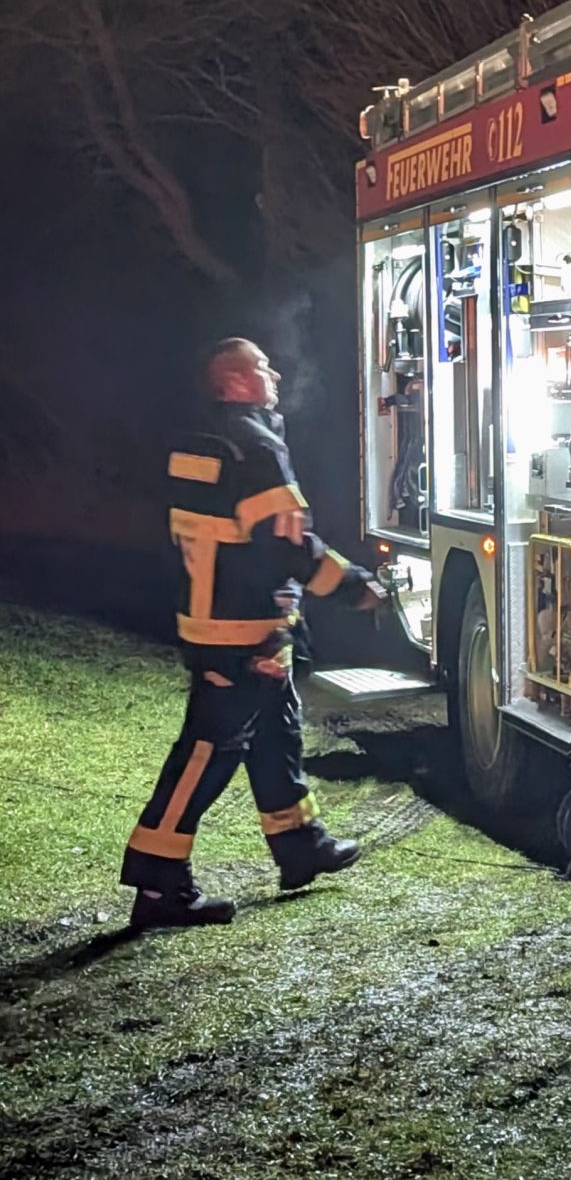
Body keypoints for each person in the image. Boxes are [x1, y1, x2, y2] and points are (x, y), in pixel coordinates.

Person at [121, 337, 381, 932]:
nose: (276, 375)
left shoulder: (198, 441)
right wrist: (354, 586)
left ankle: (300, 844)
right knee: (208, 753)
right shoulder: (256, 446)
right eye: (262, 367)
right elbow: (288, 543)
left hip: (212, 618)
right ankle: (158, 883)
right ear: (233, 382)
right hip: (244, 628)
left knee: (274, 729)